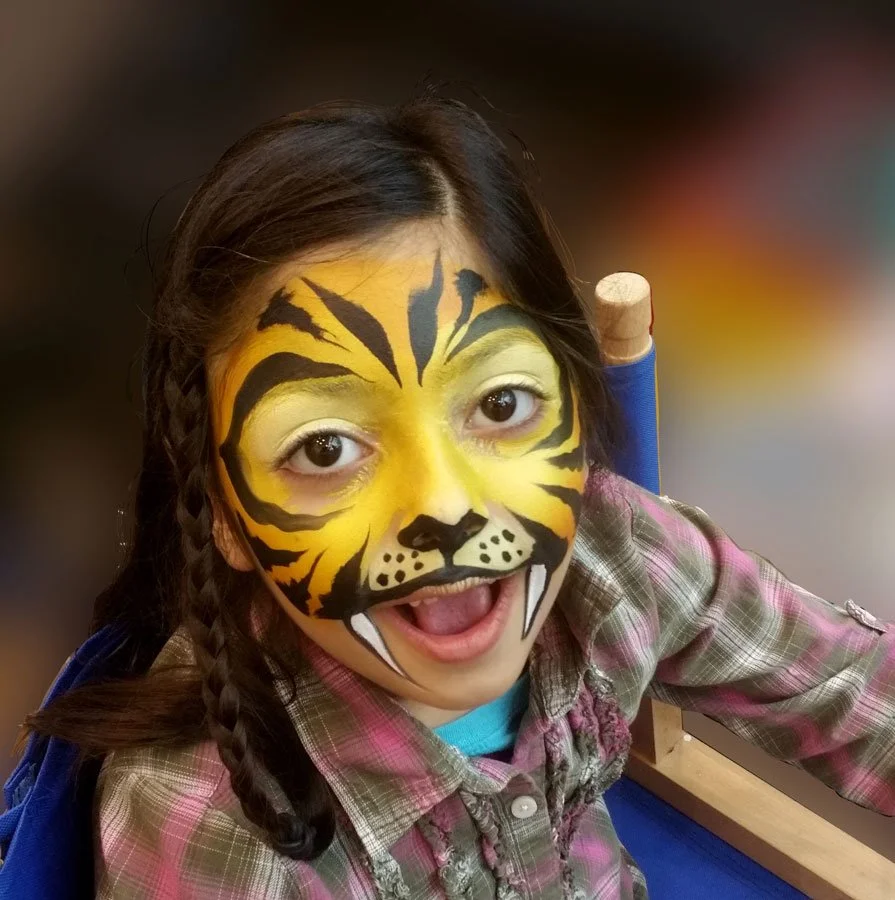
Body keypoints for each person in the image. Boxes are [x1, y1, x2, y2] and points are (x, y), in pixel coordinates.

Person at [20, 95, 894, 899]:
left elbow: (849, 691)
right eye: (325, 447)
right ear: (228, 517)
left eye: (501, 405)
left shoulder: (611, 551)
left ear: (575, 408)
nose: (441, 506)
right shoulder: (214, 832)